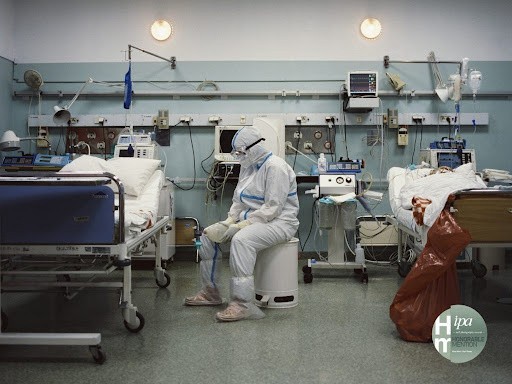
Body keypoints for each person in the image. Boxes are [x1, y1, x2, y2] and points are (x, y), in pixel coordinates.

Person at [184, 125, 300, 322]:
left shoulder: (276, 167)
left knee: (241, 241)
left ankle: (242, 303)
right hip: (250, 220)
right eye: (237, 152)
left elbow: (272, 208)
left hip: (280, 223)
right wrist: (229, 220)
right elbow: (238, 201)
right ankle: (210, 292)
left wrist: (240, 227)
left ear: (255, 147)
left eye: (241, 152)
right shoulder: (248, 166)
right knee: (208, 235)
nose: (239, 156)